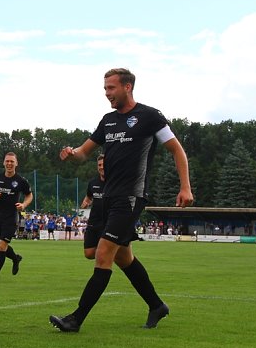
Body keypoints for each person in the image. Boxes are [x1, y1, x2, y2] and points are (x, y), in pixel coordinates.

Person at [50, 68, 193, 333]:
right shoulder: (108, 120)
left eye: (111, 88)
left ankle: (75, 319)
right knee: (124, 258)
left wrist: (185, 186)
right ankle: (156, 305)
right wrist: (72, 154)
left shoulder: (149, 116)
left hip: (130, 197)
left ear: (127, 87)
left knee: (103, 255)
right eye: (105, 89)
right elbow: (84, 153)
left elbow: (176, 150)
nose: (107, 94)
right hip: (108, 199)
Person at [0, 152, 33, 284]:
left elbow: (29, 195)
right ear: (3, 163)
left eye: (12, 161)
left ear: (16, 163)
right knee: (1, 246)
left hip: (11, 219)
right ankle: (15, 258)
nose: (9, 164)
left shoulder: (21, 181)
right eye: (7, 161)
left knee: (1, 248)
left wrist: (23, 205)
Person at [80, 154, 106, 260]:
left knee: (103, 251)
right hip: (93, 222)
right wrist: (86, 203)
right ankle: (111, 254)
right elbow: (88, 197)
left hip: (108, 222)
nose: (101, 167)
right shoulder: (93, 183)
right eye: (99, 165)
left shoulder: (114, 183)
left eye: (104, 164)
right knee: (89, 254)